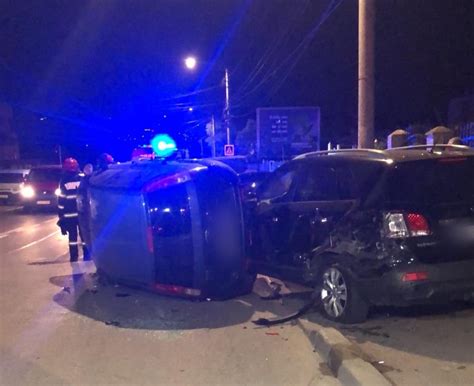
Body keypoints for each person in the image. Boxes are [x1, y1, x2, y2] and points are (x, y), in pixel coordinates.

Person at [57, 157, 89, 262]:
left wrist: (61, 217)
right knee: (84, 236)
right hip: (82, 213)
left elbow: (61, 200)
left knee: (72, 238)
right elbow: (88, 195)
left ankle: (74, 257)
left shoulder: (63, 181)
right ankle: (87, 255)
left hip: (69, 215)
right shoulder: (83, 178)